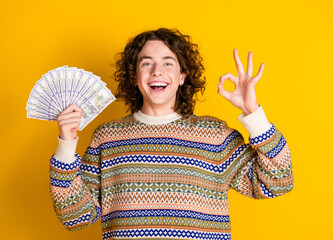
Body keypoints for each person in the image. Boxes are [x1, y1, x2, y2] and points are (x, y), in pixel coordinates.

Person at [50, 28, 294, 240]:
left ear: (182, 77)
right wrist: (66, 145)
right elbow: (76, 218)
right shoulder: (107, 137)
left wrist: (252, 113)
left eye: (168, 63)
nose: (157, 71)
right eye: (146, 63)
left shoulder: (215, 135)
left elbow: (278, 182)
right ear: (135, 77)